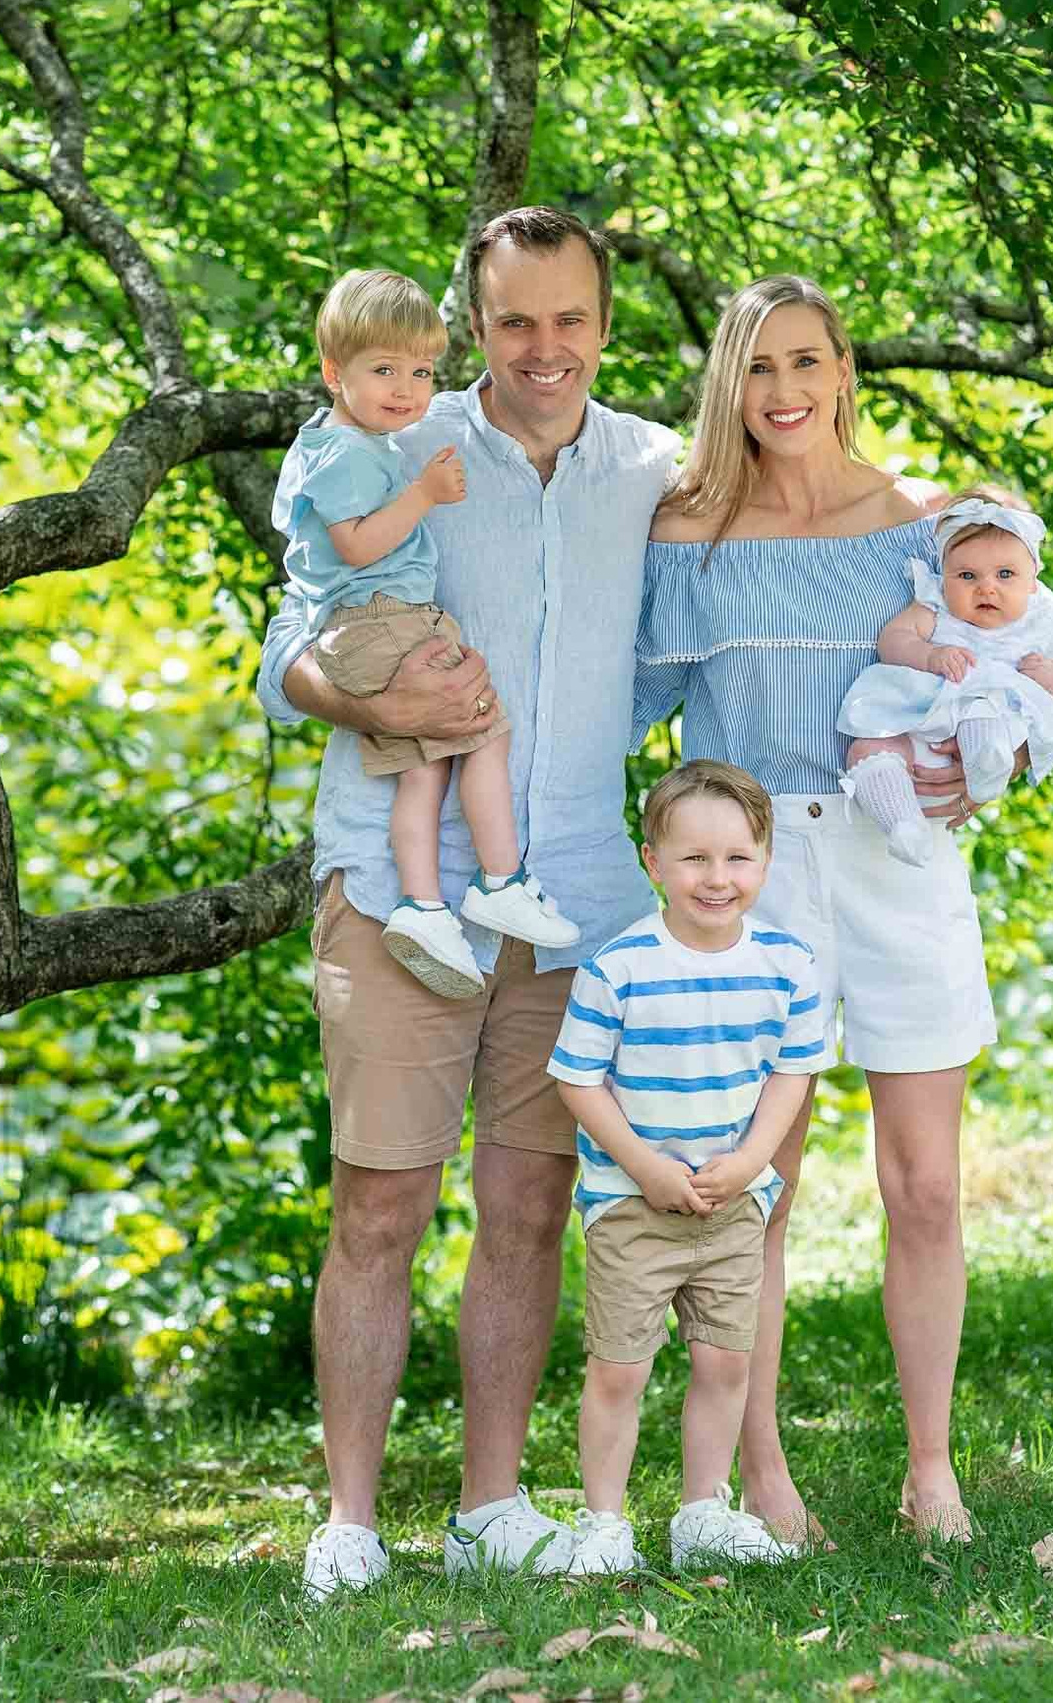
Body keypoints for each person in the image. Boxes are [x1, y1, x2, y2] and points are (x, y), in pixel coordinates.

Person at [254, 207, 681, 1601]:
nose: (543, 348)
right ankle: (350, 1519)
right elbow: (285, 645)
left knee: (530, 1205)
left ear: (604, 325)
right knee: (379, 1207)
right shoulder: (400, 440)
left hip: (579, 901)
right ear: (474, 324)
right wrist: (374, 699)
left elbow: (719, 613)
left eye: (569, 320)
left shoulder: (653, 468)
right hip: (399, 886)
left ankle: (491, 1504)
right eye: (513, 322)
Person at [635, 273, 1004, 1545]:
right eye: (757, 365)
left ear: (845, 369)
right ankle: (763, 1476)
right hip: (753, 869)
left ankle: (932, 1470)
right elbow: (622, 704)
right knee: (755, 1191)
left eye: (805, 361)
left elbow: (1002, 666)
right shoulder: (687, 532)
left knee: (926, 1185)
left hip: (897, 854)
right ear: (728, 383)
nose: (783, 389)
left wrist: (992, 758)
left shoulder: (921, 522)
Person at [548, 760, 831, 1574]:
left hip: (731, 1203)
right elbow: (577, 1079)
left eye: (738, 858)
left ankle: (703, 1510)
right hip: (633, 1205)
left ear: (766, 860)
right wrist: (644, 1168)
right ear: (653, 862)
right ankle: (604, 1524)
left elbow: (793, 1073)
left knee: (726, 1361)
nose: (717, 878)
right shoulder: (620, 967)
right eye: (694, 858)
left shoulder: (788, 965)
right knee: (620, 1368)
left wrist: (751, 1162)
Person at [272, 268, 582, 995]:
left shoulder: (344, 443)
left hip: (368, 623)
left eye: (421, 372)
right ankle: (500, 881)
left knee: (425, 766)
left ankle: (422, 905)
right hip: (381, 617)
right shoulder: (349, 453)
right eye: (384, 370)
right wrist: (424, 494)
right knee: (484, 727)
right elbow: (355, 544)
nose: (407, 389)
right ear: (334, 373)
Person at [840, 492, 1053, 865]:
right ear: (944, 577)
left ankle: (988, 761)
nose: (986, 587)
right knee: (866, 748)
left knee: (984, 709)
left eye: (1005, 574)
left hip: (969, 746)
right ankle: (901, 823)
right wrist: (929, 655)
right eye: (967, 576)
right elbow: (893, 639)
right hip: (916, 723)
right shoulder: (936, 607)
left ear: (1033, 581)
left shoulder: (1039, 625)